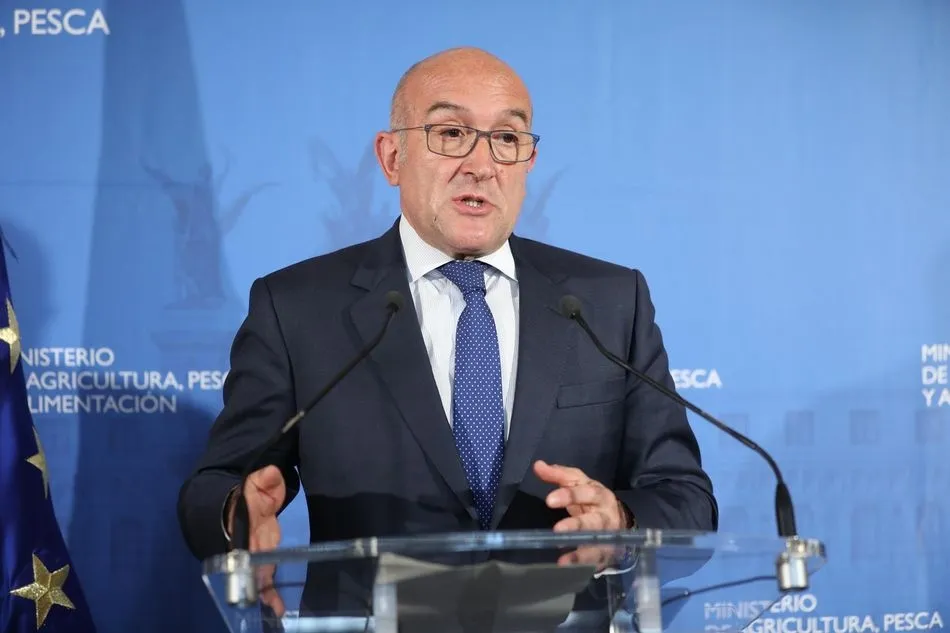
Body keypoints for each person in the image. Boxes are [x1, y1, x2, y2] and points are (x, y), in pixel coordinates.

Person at [177, 46, 717, 618]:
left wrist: (621, 523)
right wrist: (238, 513)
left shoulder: (609, 303)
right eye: (451, 133)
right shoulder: (298, 308)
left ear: (528, 162)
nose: (482, 164)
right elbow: (216, 484)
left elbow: (685, 500)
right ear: (391, 158)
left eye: (508, 138)